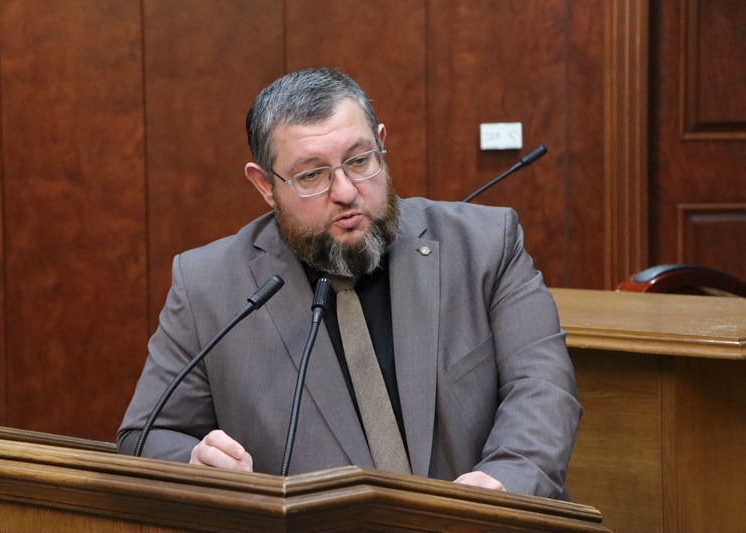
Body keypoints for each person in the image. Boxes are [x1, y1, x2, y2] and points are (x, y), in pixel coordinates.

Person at [118, 67, 581, 500]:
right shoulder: (207, 286)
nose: (344, 191)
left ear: (381, 144)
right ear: (265, 185)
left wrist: (500, 485)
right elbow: (146, 434)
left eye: (359, 161)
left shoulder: (486, 245)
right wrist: (195, 465)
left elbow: (543, 390)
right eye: (312, 175)